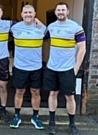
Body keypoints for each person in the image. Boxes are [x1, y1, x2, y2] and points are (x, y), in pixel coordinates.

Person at [43, 2, 86, 135]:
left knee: (70, 97)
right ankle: (51, 123)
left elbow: (82, 49)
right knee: (52, 94)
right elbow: (43, 40)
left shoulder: (76, 28)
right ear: (55, 12)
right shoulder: (51, 27)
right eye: (58, 10)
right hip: (52, 67)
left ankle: (72, 125)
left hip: (68, 69)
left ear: (67, 12)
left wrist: (75, 68)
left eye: (63, 10)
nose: (60, 12)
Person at [10, 4, 49, 129]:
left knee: (35, 92)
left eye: (30, 13)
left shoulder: (42, 28)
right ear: (21, 14)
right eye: (25, 12)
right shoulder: (14, 28)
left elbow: (51, 39)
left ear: (35, 14)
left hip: (36, 67)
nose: (28, 15)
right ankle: (16, 116)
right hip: (20, 67)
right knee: (19, 91)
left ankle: (35, 117)